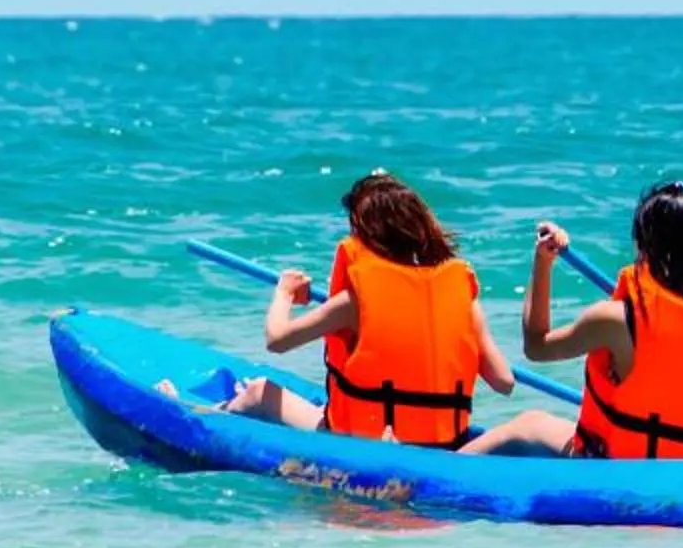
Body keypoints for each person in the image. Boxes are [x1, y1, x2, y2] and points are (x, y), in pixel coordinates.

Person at [460, 180, 683, 459]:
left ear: (645, 246)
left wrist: (543, 261)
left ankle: (427, 478)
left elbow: (536, 346)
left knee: (528, 424)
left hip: (627, 465)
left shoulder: (618, 319)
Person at [212, 170, 516, 446]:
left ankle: (198, 414)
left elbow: (277, 340)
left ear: (369, 236)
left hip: (368, 441)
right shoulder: (462, 293)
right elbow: (504, 382)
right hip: (445, 441)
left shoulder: (355, 302)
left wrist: (284, 292)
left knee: (259, 391)